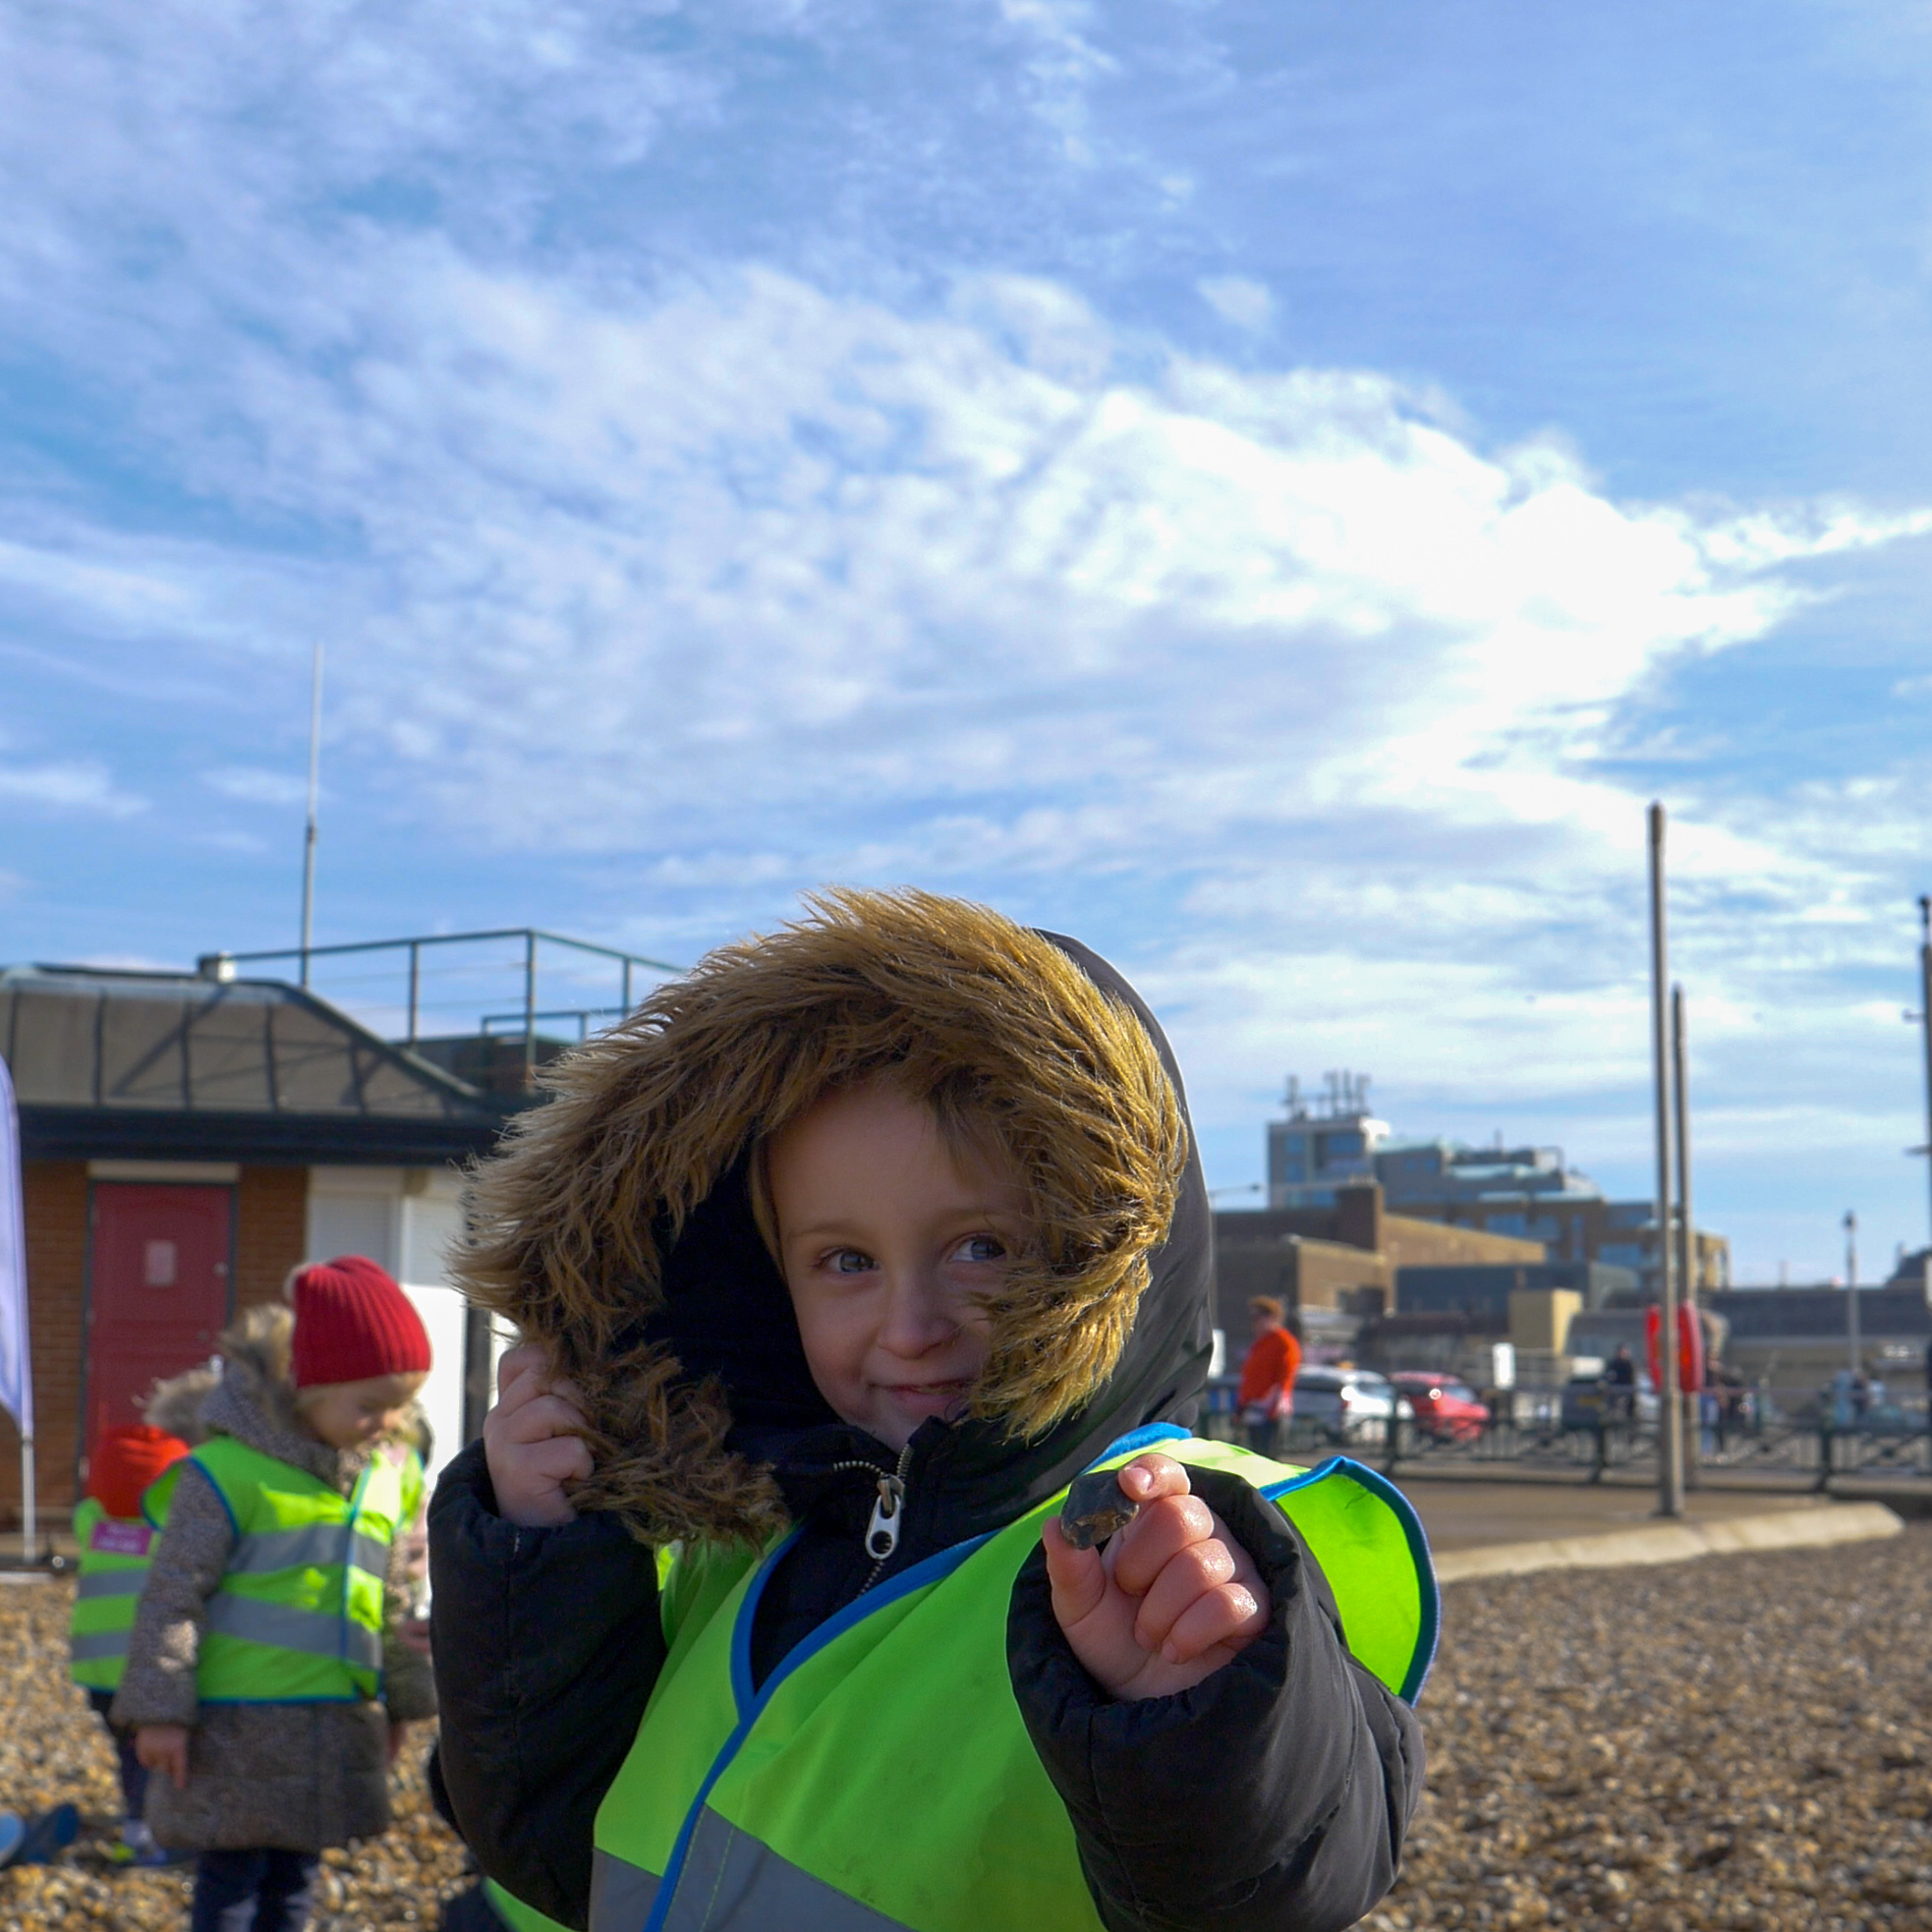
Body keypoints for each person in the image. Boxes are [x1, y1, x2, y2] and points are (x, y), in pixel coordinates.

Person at [430, 889, 1431, 1932]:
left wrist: (1192, 1716)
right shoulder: (746, 1529)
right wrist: (536, 1558)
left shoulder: (1176, 1539)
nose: (909, 1327)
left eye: (979, 1248)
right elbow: (552, 1847)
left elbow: (1297, 1878)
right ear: (768, 1282)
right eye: (846, 1260)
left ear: (1116, 1244)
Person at [113, 1258, 440, 1932]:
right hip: (232, 1731)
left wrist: (403, 1699)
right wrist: (160, 1711)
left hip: (332, 1725)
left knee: (296, 1882)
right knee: (230, 1884)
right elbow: (172, 1597)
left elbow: (393, 1600)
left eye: (403, 1404)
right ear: (307, 1388)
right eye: (370, 1404)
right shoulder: (226, 1474)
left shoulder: (387, 1479)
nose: (389, 1422)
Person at [68, 1420, 193, 1864]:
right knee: (158, 1757)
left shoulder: (91, 1525)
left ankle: (136, 1826)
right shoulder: (168, 1538)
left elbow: (87, 1505)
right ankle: (156, 1835)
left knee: (128, 1752)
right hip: (148, 1670)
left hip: (98, 1673)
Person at [1236, 1296, 1301, 1454]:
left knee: (1269, 1454)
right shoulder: (1259, 1345)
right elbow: (1250, 1379)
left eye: (1258, 1317)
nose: (1254, 1323)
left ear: (1271, 1318)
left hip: (1270, 1410)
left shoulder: (1284, 1342)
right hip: (1253, 1409)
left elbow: (1286, 1376)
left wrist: (1278, 1404)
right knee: (1255, 1454)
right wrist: (1241, 1407)